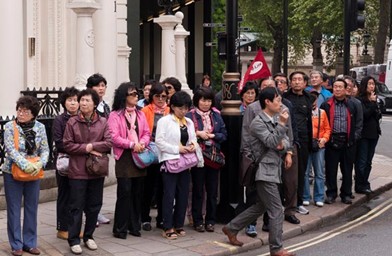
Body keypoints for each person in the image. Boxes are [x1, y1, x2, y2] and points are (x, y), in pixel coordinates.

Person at [222, 87, 295, 256]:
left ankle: (231, 228)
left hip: (273, 169)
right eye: (277, 100)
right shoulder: (257, 122)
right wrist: (282, 128)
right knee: (277, 210)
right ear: (267, 102)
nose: (280, 103)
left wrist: (282, 143)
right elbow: (271, 142)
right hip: (263, 170)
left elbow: (283, 141)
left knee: (261, 206)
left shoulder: (276, 117)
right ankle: (276, 249)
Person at [63, 89, 112, 254]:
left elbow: (109, 142)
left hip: (96, 170)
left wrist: (94, 146)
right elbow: (67, 145)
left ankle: (89, 236)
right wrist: (88, 148)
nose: (83, 103)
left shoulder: (103, 122)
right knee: (76, 206)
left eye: (86, 100)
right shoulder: (72, 122)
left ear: (95, 104)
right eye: (81, 100)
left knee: (94, 206)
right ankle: (74, 239)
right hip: (78, 170)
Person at [2, 96, 49, 256]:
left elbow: (45, 149)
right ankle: (16, 244)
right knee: (14, 209)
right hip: (12, 172)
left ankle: (30, 243)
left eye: (25, 111)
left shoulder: (40, 127)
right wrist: (25, 165)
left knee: (31, 207)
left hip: (34, 173)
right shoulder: (10, 126)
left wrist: (39, 164)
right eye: (19, 110)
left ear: (33, 114)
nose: (21, 114)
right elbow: (10, 149)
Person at [155, 91, 200, 240]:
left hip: (185, 162)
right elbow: (159, 142)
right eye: (180, 108)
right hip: (170, 162)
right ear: (172, 106)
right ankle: (167, 226)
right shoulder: (165, 121)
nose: (184, 111)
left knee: (183, 194)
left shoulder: (189, 122)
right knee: (169, 195)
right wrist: (177, 149)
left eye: (186, 108)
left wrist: (192, 145)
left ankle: (179, 224)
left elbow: (193, 138)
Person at [108, 82, 151, 239]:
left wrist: (143, 143)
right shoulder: (115, 115)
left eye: (136, 93)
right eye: (132, 94)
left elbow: (146, 132)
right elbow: (114, 137)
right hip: (125, 157)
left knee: (137, 193)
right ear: (124, 97)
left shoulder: (140, 114)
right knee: (125, 192)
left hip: (139, 156)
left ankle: (134, 226)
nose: (136, 96)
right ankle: (120, 228)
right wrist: (132, 144)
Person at [186, 87, 227, 232]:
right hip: (198, 157)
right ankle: (197, 220)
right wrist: (198, 133)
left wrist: (212, 136)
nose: (206, 103)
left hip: (213, 157)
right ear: (197, 100)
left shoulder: (216, 115)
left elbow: (224, 134)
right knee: (197, 189)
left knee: (212, 191)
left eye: (209, 100)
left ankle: (210, 220)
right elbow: (184, 134)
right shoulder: (190, 116)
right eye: (203, 100)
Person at [320, 79, 362, 205]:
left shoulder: (353, 104)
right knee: (331, 169)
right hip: (332, 140)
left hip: (348, 141)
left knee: (347, 169)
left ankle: (346, 194)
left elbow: (359, 123)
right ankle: (331, 194)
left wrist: (354, 138)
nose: (337, 89)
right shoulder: (326, 105)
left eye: (340, 87)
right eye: (335, 87)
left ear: (345, 89)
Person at [141, 83, 171, 231]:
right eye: (157, 96)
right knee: (148, 187)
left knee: (163, 188)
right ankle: (145, 218)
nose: (160, 99)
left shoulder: (170, 111)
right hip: (150, 151)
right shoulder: (145, 110)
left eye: (163, 96)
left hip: (165, 153)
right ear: (152, 96)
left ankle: (161, 218)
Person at [284, 71, 313, 215]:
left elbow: (309, 121)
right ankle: (286, 202)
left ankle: (299, 202)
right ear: (290, 82)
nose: (296, 82)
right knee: (287, 173)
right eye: (294, 79)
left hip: (303, 139)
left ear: (305, 83)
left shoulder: (309, 98)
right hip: (287, 138)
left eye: (299, 79)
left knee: (301, 172)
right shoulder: (284, 98)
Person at [53, 87, 80, 240]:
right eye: (70, 100)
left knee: (77, 196)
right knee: (64, 194)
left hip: (79, 162)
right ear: (64, 103)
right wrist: (79, 148)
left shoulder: (83, 118)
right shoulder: (59, 120)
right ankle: (62, 227)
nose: (73, 103)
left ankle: (74, 227)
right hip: (64, 162)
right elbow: (59, 143)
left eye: (75, 100)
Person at [86, 73, 111, 226]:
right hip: (89, 149)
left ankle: (96, 212)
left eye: (103, 85)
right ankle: (89, 214)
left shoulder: (105, 106)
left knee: (98, 184)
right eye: (98, 85)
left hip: (102, 149)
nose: (101, 88)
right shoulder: (88, 106)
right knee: (87, 183)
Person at [303, 91, 331, 207]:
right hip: (306, 145)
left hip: (319, 145)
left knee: (319, 173)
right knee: (305, 173)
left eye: (314, 100)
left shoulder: (322, 113)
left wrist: (324, 139)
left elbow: (327, 129)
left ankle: (319, 197)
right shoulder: (304, 113)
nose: (312, 102)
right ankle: (305, 196)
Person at [355, 76, 382, 194]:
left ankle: (365, 182)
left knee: (368, 162)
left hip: (374, 134)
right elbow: (365, 115)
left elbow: (377, 116)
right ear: (365, 85)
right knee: (362, 161)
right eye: (369, 84)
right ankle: (359, 184)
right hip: (363, 135)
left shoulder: (374, 99)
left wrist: (375, 104)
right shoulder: (359, 100)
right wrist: (372, 103)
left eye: (373, 84)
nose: (372, 86)